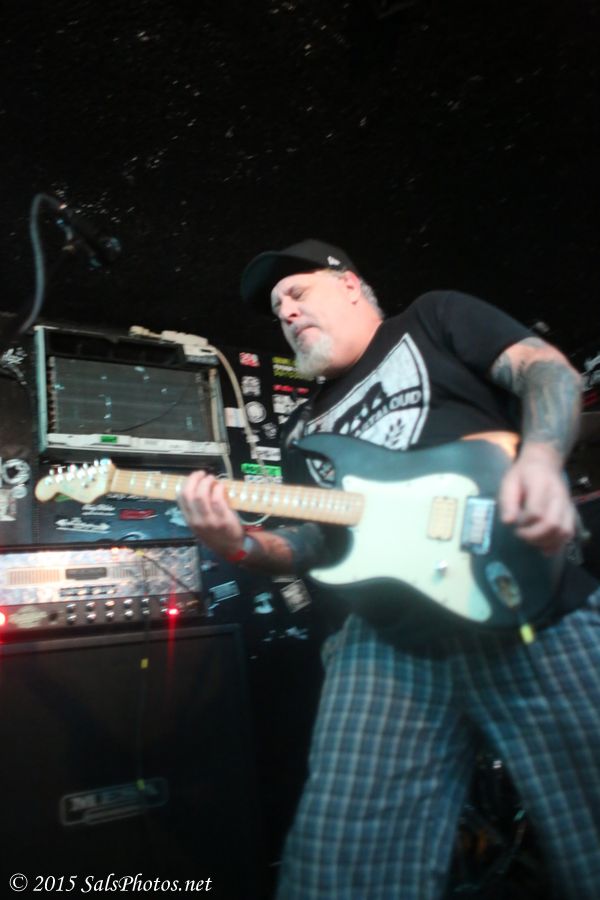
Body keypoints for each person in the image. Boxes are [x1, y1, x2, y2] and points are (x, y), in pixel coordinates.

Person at [178, 239, 600, 899]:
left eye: (297, 292)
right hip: (388, 643)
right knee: (339, 868)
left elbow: (546, 371)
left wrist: (541, 460)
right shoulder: (302, 431)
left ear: (349, 284)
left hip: (529, 603)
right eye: (278, 310)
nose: (286, 313)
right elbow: (315, 542)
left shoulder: (431, 319)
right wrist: (240, 547)